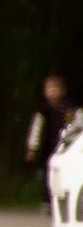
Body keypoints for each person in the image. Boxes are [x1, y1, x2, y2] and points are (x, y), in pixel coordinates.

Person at [24, 75, 75, 210]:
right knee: (48, 173)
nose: (52, 91)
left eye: (55, 88)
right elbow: (36, 129)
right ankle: (46, 201)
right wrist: (32, 148)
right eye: (49, 88)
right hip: (47, 147)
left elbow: (72, 126)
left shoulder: (68, 108)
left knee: (64, 173)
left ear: (62, 90)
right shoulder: (43, 110)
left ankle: (63, 201)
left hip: (64, 146)